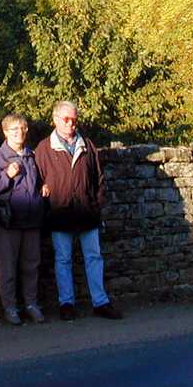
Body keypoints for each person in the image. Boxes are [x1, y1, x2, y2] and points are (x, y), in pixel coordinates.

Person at [34, 100, 123, 321]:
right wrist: (44, 194)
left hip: (86, 212)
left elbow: (98, 178)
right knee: (63, 259)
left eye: (74, 119)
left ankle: (100, 302)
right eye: (66, 119)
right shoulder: (44, 149)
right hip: (59, 212)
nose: (71, 124)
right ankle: (66, 303)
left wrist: (96, 204)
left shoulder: (87, 145)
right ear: (55, 120)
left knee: (94, 257)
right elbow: (36, 179)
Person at [0, 113, 50, 325]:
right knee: (8, 267)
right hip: (6, 222)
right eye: (14, 130)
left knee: (31, 265)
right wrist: (6, 176)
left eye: (22, 129)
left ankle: (31, 305)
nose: (19, 133)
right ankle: (10, 308)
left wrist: (42, 188)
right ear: (5, 132)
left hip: (31, 219)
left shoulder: (31, 155)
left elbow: (35, 182)